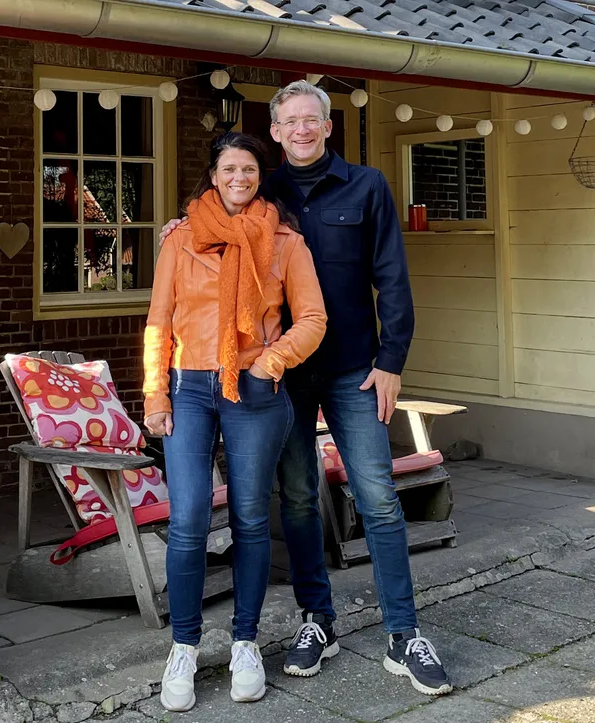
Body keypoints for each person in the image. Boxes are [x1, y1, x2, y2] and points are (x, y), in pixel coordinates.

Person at [162, 80, 452, 696]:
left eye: (311, 120)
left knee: (377, 496)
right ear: (275, 130)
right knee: (295, 500)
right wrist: (179, 228)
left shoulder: (367, 186)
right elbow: (214, 212)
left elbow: (392, 278)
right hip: (281, 378)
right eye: (290, 121)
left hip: (353, 368)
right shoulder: (261, 190)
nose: (301, 130)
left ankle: (404, 633)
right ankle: (317, 620)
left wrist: (392, 359)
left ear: (326, 126)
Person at [143, 132, 327, 712]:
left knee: (250, 516)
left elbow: (314, 319)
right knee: (190, 516)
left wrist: (272, 359)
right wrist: (155, 396)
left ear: (258, 176)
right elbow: (158, 320)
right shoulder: (180, 237)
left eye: (249, 169)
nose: (239, 177)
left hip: (254, 386)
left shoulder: (284, 242)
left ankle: (245, 641)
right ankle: (184, 648)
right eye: (229, 168)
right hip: (191, 386)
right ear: (214, 175)